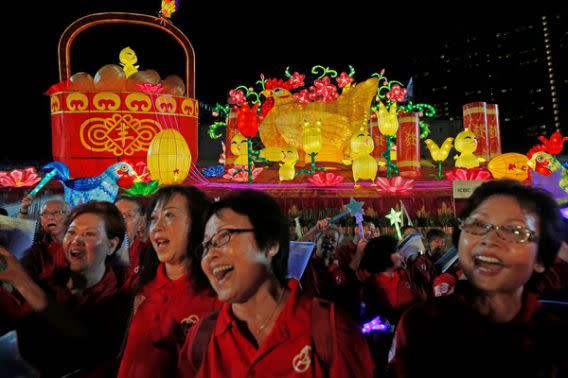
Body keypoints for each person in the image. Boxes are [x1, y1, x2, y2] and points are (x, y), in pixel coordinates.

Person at [178, 189, 375, 377]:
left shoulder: (330, 331)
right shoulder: (202, 337)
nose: (211, 255)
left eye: (225, 237)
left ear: (271, 244)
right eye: (206, 245)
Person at [390, 180, 568, 378]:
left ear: (541, 258)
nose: (489, 240)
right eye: (478, 224)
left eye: (514, 230)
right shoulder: (421, 324)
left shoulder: (557, 339)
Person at [0, 201, 131, 377]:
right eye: (72, 232)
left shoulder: (120, 298)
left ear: (112, 245)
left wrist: (20, 279)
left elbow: (86, 344)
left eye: (89, 234)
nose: (76, 240)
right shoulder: (48, 279)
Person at [117, 186, 220, 378]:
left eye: (169, 215)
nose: (157, 226)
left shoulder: (218, 297)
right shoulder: (137, 286)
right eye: (154, 218)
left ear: (199, 224)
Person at [21, 196, 71, 282]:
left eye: (56, 212)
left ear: (70, 216)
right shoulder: (37, 249)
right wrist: (23, 209)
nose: (50, 217)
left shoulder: (81, 245)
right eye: (44, 213)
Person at [114, 195, 148, 288]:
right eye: (117, 215)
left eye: (129, 215)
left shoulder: (148, 254)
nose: (122, 221)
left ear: (140, 223)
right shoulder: (99, 251)